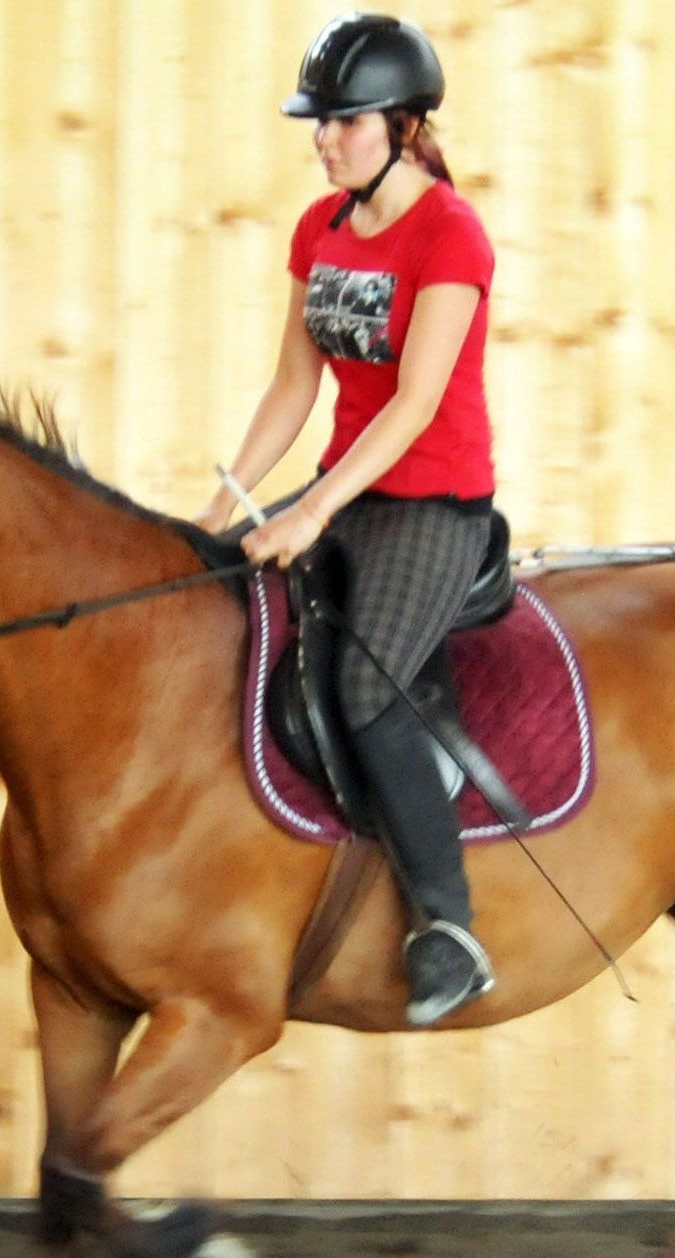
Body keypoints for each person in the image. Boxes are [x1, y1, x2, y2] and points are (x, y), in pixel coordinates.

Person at [193, 12, 500, 1027]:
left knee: (368, 685)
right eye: (317, 124)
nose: (324, 141)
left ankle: (447, 926)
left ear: (404, 125)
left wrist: (314, 509)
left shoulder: (449, 233)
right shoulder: (318, 231)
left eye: (343, 123)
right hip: (351, 487)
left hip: (434, 502)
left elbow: (415, 403)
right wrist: (221, 508)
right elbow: (292, 385)